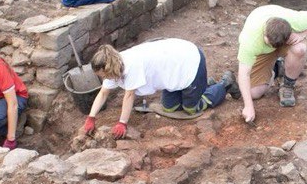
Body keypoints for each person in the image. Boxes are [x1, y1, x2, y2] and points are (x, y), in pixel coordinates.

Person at [82, 39, 236, 138]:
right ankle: (203, 84)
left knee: (191, 109)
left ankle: (224, 84)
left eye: (103, 75)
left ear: (108, 68)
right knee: (170, 108)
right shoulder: (114, 65)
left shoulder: (131, 66)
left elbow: (129, 96)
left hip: (189, 62)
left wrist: (122, 123)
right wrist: (91, 117)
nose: (103, 79)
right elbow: (103, 93)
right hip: (173, 71)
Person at [236, 5, 307, 122]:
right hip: (261, 51)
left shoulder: (296, 21)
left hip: (285, 41)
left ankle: (287, 85)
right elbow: (243, 74)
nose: (271, 46)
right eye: (269, 43)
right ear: (265, 33)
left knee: (300, 49)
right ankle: (275, 70)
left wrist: (303, 34)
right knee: (253, 93)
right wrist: (248, 107)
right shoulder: (250, 40)